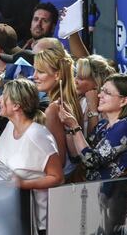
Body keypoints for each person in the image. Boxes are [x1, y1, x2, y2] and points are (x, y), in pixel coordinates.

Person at [0, 78, 64, 235]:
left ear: (16, 105)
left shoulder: (38, 134)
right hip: (13, 214)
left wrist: (23, 184)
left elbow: (57, 177)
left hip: (38, 223)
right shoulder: (9, 127)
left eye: (3, 96)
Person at [59, 73, 127, 181]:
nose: (99, 95)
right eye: (102, 90)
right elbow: (78, 157)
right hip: (93, 191)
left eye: (107, 92)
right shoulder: (102, 125)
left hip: (113, 195)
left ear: (123, 101)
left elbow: (90, 161)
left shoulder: (126, 126)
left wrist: (75, 125)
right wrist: (69, 127)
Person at [33, 47, 83, 177]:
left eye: (40, 71)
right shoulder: (69, 100)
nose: (34, 76)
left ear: (57, 75)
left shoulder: (54, 108)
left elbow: (58, 160)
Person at [75, 55, 116, 134]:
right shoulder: (81, 100)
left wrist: (93, 109)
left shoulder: (108, 107)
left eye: (81, 78)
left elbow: (94, 141)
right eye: (76, 75)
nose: (75, 80)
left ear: (96, 83)